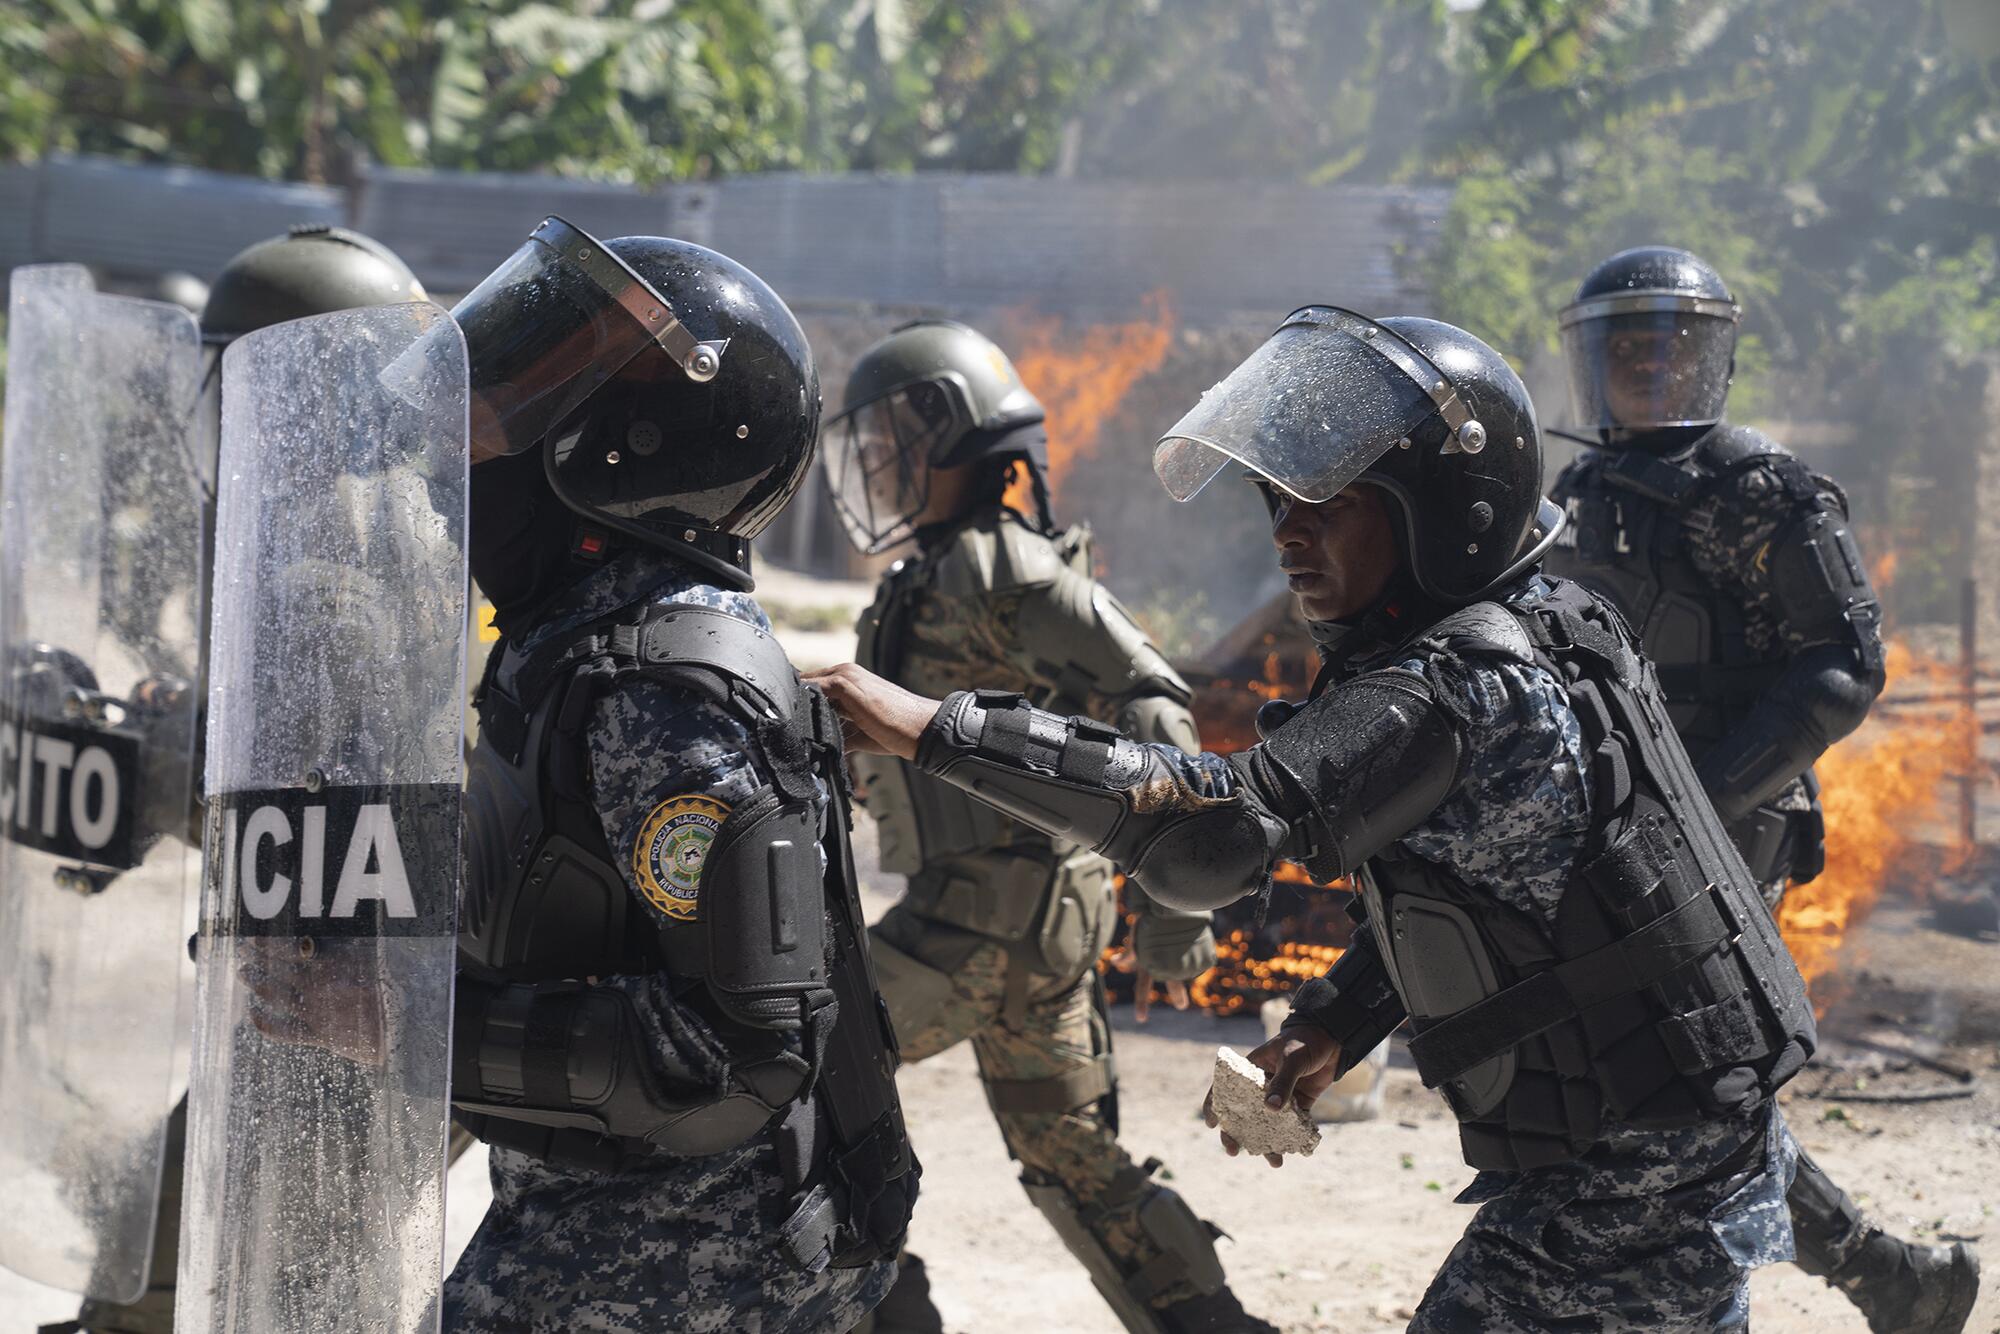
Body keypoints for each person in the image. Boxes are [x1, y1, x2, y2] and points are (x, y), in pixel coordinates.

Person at [809, 306, 1821, 1331]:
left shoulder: (1457, 688)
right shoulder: (1551, 624)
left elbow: (1214, 832)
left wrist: (933, 726)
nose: (1286, 534)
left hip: (1636, 1171)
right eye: (1276, 502)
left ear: (1440, 507)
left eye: (1325, 503)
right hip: (1677, 1127)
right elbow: (1519, 896)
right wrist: (1339, 1017)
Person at [442, 219, 918, 1332]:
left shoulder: (652, 686)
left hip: (687, 1260)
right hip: (601, 1221)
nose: (471, 433)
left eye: (516, 406)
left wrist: (403, 1027)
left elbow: (736, 1047)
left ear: (622, 449)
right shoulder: (577, 641)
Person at [1546, 244, 1980, 1334]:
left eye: (1667, 344)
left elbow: (1841, 668)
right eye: (1623, 346)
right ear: (1589, 361)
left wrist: (1697, 799)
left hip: (1728, 824)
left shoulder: (1764, 491)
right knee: (1661, 1077)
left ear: (1710, 357)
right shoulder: (1570, 495)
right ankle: (1887, 1276)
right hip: (1595, 818)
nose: (1645, 365)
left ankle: (1849, 1278)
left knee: (1693, 1075)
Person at [822, 321, 1271, 1334]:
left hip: (981, 926)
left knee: (793, 1073)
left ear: (951, 436)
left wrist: (1175, 890)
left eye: (895, 432)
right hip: (1026, 926)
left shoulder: (1001, 567)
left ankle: (884, 1308)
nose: (879, 459)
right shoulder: (936, 570)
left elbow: (1150, 695)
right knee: (1076, 1166)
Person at [43, 223, 430, 1334]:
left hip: (324, 1011)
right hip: (353, 999)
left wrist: (137, 763)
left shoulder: (321, 557)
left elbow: (281, 808)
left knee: (183, 1291)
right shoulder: (397, 519)